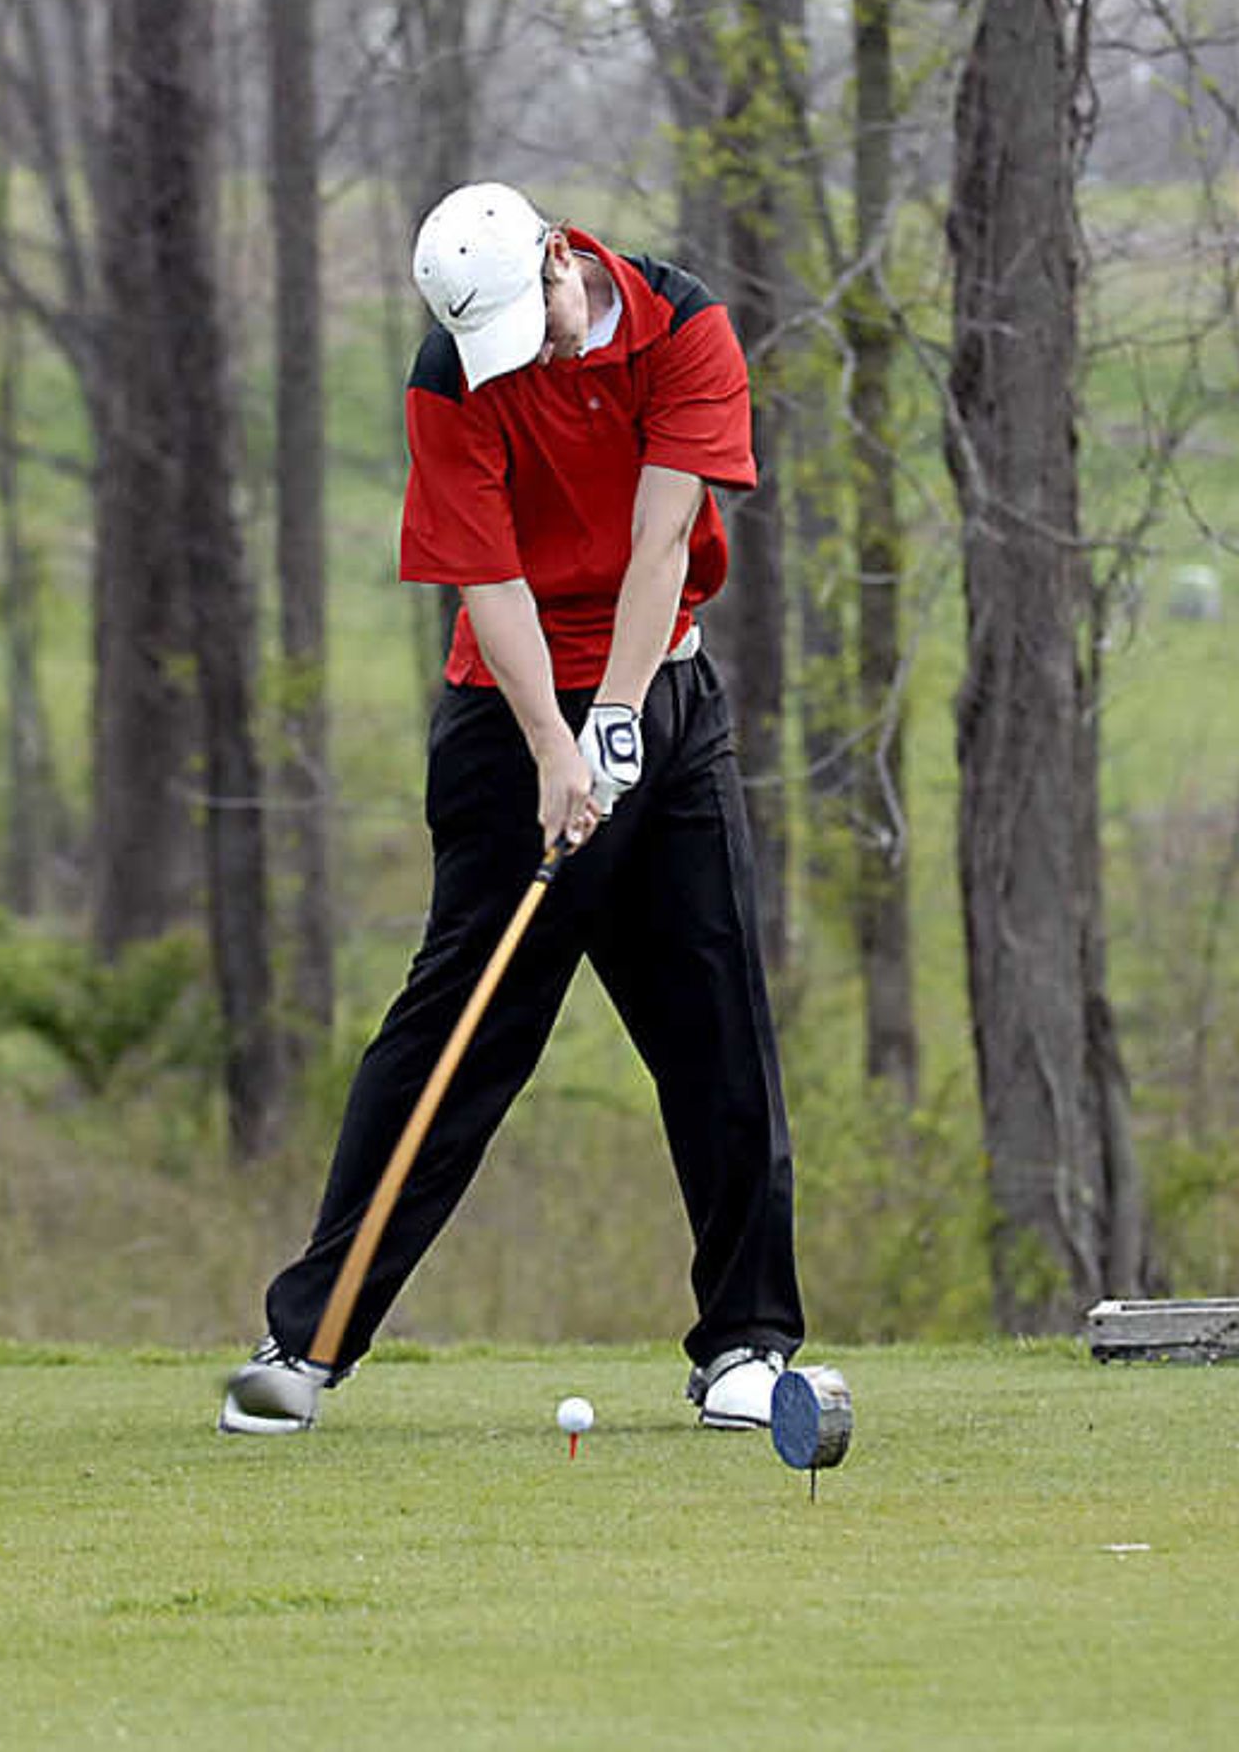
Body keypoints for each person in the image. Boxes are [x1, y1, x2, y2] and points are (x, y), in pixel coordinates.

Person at [221, 182, 805, 1437]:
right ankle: (308, 1341)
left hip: (667, 693)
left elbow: (663, 549)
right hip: (505, 719)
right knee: (459, 1035)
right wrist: (555, 744)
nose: (520, 356)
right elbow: (487, 574)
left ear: (561, 258)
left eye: (529, 318)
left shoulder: (682, 325)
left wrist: (620, 719)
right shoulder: (454, 371)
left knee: (717, 1023)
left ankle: (747, 1347)